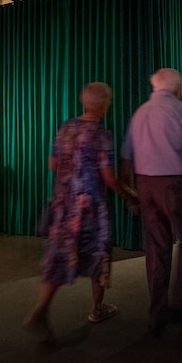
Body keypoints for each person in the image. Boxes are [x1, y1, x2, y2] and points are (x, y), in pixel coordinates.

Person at [24, 82, 137, 342]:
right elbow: (109, 177)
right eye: (108, 100)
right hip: (90, 209)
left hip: (64, 206)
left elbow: (53, 164)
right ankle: (97, 308)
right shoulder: (100, 134)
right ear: (101, 104)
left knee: (60, 255)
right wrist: (129, 194)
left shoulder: (66, 128)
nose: (109, 105)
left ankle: (42, 308)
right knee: (99, 254)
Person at [120, 68, 182, 336]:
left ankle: (156, 316)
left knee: (156, 249)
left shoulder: (139, 113)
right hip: (175, 186)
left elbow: (126, 158)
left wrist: (130, 190)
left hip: (145, 185)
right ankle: (177, 305)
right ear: (177, 88)